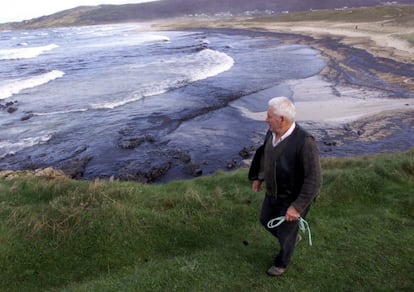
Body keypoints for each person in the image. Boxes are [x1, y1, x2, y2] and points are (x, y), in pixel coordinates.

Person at [248, 96, 322, 276]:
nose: (266, 119)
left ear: (282, 119)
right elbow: (265, 155)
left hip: (293, 198)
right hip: (273, 193)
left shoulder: (305, 143)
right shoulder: (271, 132)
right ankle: (292, 237)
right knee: (265, 220)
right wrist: (259, 177)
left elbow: (314, 179)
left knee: (286, 233)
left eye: (269, 116)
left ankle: (281, 263)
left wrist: (296, 208)